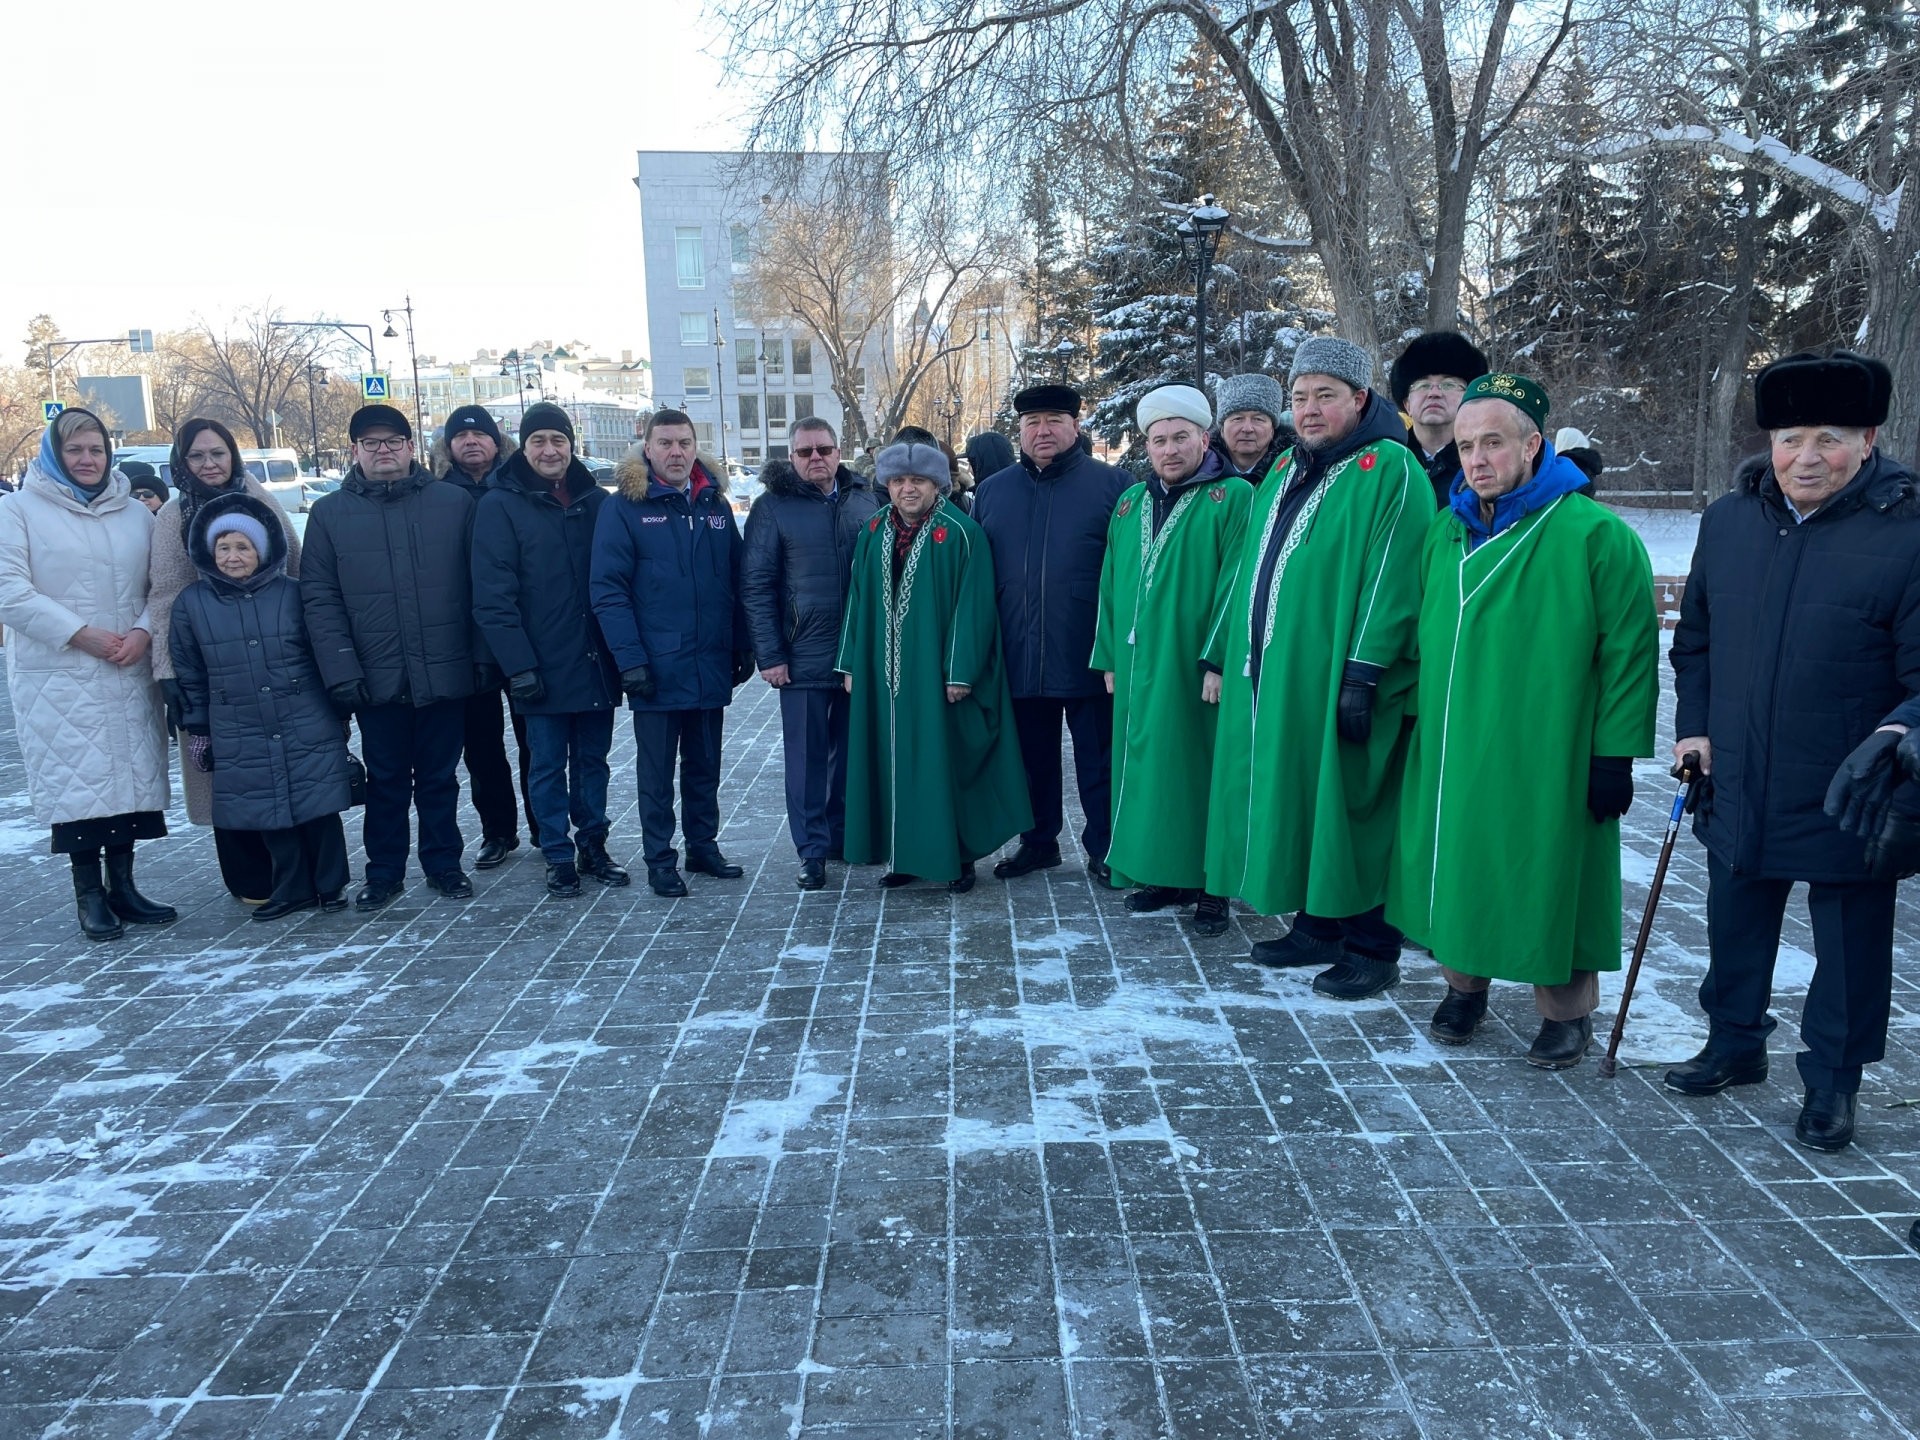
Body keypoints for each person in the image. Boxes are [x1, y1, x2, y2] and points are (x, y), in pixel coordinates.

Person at [1671, 349, 1920, 1152]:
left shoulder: (1909, 533)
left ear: (1868, 440)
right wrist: (1694, 727)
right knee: (1734, 912)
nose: (1805, 458)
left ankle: (1833, 1081)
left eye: (1829, 439)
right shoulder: (1728, 521)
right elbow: (1696, 643)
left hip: (1851, 781)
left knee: (1849, 939)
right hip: (1739, 767)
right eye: (1789, 438)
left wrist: (1896, 735)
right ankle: (1734, 1042)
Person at [1388, 374, 1659, 1067]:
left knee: (1549, 870)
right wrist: (1413, 717)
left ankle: (1566, 1012)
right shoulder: (1447, 529)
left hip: (1549, 744)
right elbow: (1422, 634)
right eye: (1466, 445)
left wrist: (1615, 754)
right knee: (1460, 860)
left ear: (1533, 444)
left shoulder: (1595, 534)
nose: (1477, 459)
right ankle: (1463, 987)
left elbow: (1629, 655)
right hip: (1453, 738)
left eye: (1494, 443)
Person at [1204, 337, 1434, 999]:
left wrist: (1364, 670)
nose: (1308, 409)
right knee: (1302, 796)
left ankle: (1371, 946)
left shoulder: (1390, 467)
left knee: (1352, 804)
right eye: (1300, 396)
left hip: (1343, 674)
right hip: (1278, 673)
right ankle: (1317, 925)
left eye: (1324, 395)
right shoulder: (1286, 467)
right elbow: (1255, 568)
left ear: (1359, 399)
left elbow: (1394, 577)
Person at [302, 403, 485, 910]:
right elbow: (319, 599)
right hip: (374, 676)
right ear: (355, 451)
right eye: (371, 443)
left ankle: (444, 864)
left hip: (445, 669)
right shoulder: (329, 515)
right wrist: (341, 670)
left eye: (392, 441)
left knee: (439, 778)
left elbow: (480, 587)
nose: (383, 450)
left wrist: (481, 658)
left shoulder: (453, 503)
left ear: (410, 447)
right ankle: (383, 871)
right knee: (385, 781)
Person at [0, 410, 173, 940]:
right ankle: (90, 896)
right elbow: (9, 590)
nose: (87, 459)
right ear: (55, 454)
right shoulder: (18, 510)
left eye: (96, 449)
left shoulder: (135, 513)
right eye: (74, 450)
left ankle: (124, 887)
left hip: (126, 664)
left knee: (127, 781)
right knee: (77, 784)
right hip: (60, 673)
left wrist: (143, 632)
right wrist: (79, 633)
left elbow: (160, 585)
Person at [835, 442, 1032, 890]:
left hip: (935, 676)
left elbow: (974, 605)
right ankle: (904, 856)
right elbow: (857, 599)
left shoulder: (961, 532)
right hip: (883, 676)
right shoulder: (873, 531)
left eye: (918, 480)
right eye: (899, 481)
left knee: (943, 763)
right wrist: (850, 664)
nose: (908, 489)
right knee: (892, 763)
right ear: (887, 484)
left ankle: (958, 858)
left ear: (937, 484)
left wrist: (959, 670)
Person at [1093, 385, 1252, 937]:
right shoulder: (1131, 502)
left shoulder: (1232, 496)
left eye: (1180, 438)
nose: (1169, 449)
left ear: (1204, 439)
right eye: (1158, 440)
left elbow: (1239, 582)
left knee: (1202, 771)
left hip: (1194, 666)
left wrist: (1217, 660)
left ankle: (1213, 886)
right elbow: (1110, 583)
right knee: (1151, 770)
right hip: (1139, 664)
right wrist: (1109, 657)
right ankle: (1167, 874)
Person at [971, 384, 1130, 882]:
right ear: (1019, 430)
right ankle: (1039, 842)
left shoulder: (1115, 486)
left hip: (1087, 650)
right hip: (1018, 650)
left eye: (1054, 421)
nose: (1043, 431)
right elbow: (977, 573)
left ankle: (1106, 847)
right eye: (1032, 422)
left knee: (1098, 760)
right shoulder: (993, 491)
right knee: (1030, 759)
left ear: (1075, 427)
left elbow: (1129, 571)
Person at [591, 410, 752, 897]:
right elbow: (609, 591)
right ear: (648, 448)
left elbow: (736, 577)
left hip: (708, 661)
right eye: (665, 443)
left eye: (684, 442)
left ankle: (703, 846)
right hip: (655, 667)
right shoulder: (624, 508)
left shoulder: (713, 503)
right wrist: (631, 660)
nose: (676, 452)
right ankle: (660, 859)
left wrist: (742, 642)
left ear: (695, 446)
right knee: (657, 774)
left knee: (704, 766)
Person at [170, 493, 352, 920]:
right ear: (210, 553)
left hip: (304, 714)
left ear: (263, 551)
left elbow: (323, 653)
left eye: (243, 547)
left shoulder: (295, 594)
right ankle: (291, 888)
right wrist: (199, 729)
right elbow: (190, 671)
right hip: (238, 723)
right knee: (267, 811)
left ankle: (331, 885)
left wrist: (340, 710)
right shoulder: (192, 603)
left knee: (318, 804)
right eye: (224, 548)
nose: (232, 557)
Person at [471, 402, 624, 899]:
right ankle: (557, 854)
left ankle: (593, 845)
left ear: (571, 446)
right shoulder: (500, 504)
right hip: (539, 664)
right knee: (546, 765)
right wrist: (519, 665)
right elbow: (493, 596)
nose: (549, 450)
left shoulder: (596, 501)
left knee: (593, 761)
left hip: (595, 658)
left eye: (558, 440)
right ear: (523, 448)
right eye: (538, 441)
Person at [148, 417, 301, 904]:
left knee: (282, 766)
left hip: (274, 659)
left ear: (233, 455)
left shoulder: (260, 499)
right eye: (196, 455)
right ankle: (249, 879)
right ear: (181, 462)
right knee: (221, 772)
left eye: (218, 453)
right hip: (209, 665)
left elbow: (296, 568)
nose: (209, 464)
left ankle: (297, 872)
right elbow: (166, 594)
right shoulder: (174, 515)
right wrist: (166, 669)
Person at [740, 416, 882, 889]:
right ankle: (812, 850)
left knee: (852, 755)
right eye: (805, 452)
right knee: (807, 760)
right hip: (801, 655)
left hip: (857, 655)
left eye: (824, 449)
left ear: (838, 452)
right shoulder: (772, 508)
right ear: (792, 457)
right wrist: (770, 655)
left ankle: (841, 835)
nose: (816, 458)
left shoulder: (866, 499)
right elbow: (756, 586)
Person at [434, 403, 532, 868]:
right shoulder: (435, 495)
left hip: (520, 630)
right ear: (449, 447)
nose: (471, 442)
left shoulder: (518, 484)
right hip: (464, 637)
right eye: (461, 436)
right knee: (481, 746)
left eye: (480, 435)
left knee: (536, 738)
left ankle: (545, 823)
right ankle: (498, 831)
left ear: (497, 442)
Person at [1388, 331, 1488, 509]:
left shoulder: (1483, 462)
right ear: (1407, 404)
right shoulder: (1389, 461)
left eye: (1448, 384)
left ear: (1468, 399)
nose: (1434, 393)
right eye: (1423, 385)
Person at [1209, 372, 1295, 483]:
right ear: (1222, 429)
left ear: (1272, 430)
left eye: (1258, 419)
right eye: (1238, 419)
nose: (1247, 429)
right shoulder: (1201, 473)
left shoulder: (1294, 472)